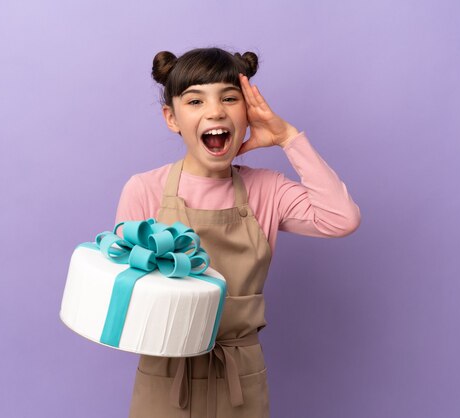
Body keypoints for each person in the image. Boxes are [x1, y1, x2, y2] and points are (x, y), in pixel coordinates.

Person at [115, 47, 361, 418]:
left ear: (247, 112)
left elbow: (340, 219)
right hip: (167, 373)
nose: (215, 111)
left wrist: (288, 137)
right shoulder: (144, 189)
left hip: (239, 375)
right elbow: (125, 291)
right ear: (172, 118)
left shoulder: (269, 190)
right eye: (195, 100)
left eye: (230, 98)